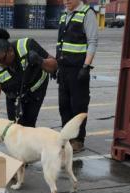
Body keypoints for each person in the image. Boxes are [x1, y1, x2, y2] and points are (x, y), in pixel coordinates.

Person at [0, 29, 57, 127]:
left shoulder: (28, 45)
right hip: (15, 94)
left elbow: (54, 65)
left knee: (28, 125)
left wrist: (40, 61)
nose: (0, 64)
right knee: (14, 127)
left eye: (2, 60)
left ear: (10, 51)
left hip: (35, 91)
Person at [56, 0, 98, 152]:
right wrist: (57, 66)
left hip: (78, 70)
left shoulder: (87, 14)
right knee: (64, 105)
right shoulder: (64, 14)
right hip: (64, 68)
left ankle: (78, 140)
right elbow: (61, 42)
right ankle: (66, 138)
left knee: (78, 106)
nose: (65, 1)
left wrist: (86, 67)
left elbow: (92, 42)